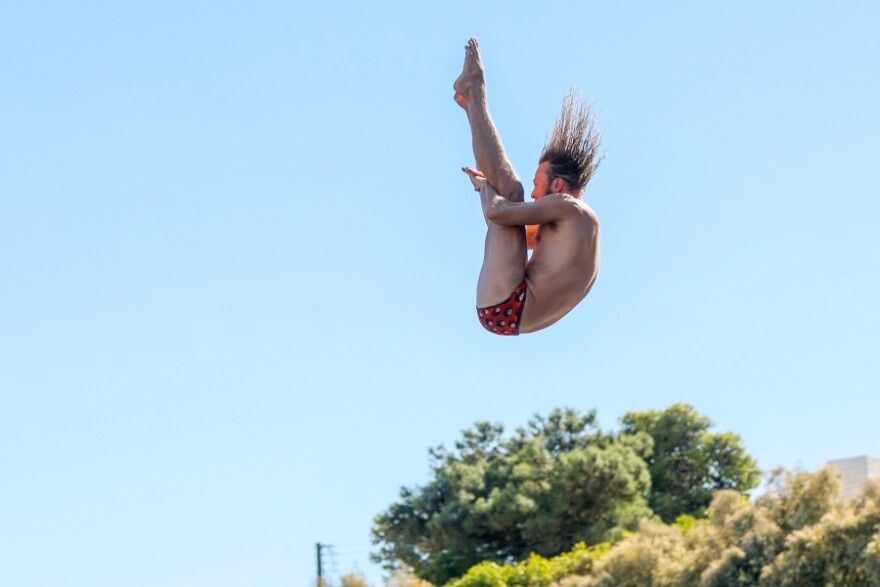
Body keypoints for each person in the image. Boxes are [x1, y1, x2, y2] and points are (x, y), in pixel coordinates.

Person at [454, 37, 603, 336]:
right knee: (508, 198)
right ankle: (471, 101)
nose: (535, 194)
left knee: (511, 193)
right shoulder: (579, 229)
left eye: (539, 184)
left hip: (508, 302)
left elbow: (498, 212)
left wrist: (485, 188)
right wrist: (487, 187)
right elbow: (509, 228)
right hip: (507, 312)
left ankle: (475, 91)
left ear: (558, 185)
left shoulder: (567, 207)